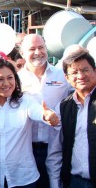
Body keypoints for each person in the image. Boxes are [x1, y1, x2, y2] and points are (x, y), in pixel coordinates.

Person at [0, 59, 59, 188]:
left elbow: (37, 111)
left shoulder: (25, 100)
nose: (6, 83)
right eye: (0, 79)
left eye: (10, 78)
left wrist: (47, 115)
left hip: (23, 177)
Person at [18, 34, 72, 188]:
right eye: (32, 49)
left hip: (57, 148)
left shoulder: (62, 75)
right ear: (22, 53)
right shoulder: (15, 79)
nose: (37, 52)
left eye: (41, 47)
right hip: (25, 150)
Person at [47, 48, 96, 188]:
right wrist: (55, 184)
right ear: (67, 78)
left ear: (95, 71)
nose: (80, 76)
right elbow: (55, 151)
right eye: (74, 72)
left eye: (85, 70)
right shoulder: (64, 107)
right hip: (75, 182)